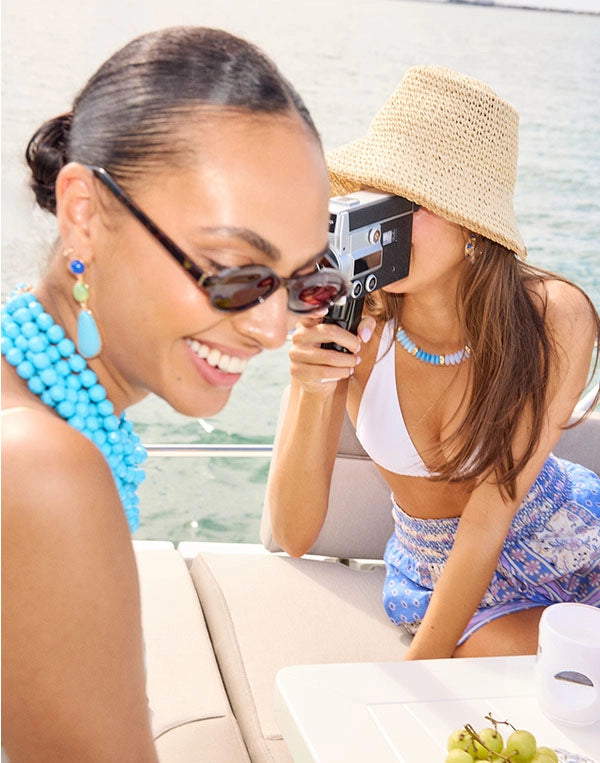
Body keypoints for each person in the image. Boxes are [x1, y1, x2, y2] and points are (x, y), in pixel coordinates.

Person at [0, 26, 348, 761]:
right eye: (233, 268)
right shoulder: (44, 469)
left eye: (303, 280)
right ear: (84, 214)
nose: (271, 324)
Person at [267, 65, 600, 661]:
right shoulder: (351, 317)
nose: (386, 225)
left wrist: (415, 678)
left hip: (573, 538)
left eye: (414, 202)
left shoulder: (555, 318)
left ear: (474, 227)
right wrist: (310, 388)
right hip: (441, 577)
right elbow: (293, 535)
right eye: (380, 196)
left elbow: (489, 517)